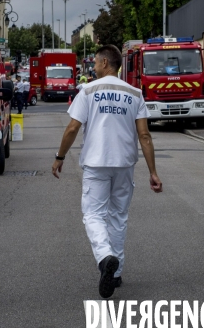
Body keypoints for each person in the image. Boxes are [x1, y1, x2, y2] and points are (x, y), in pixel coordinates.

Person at [51, 44, 163, 299]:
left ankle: (104, 259)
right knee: (118, 216)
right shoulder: (134, 93)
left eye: (96, 63)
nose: (93, 67)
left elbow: (72, 128)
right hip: (124, 164)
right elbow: (144, 135)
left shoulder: (89, 90)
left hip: (96, 162)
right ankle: (116, 271)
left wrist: (60, 157)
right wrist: (153, 172)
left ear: (104, 63)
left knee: (93, 214)